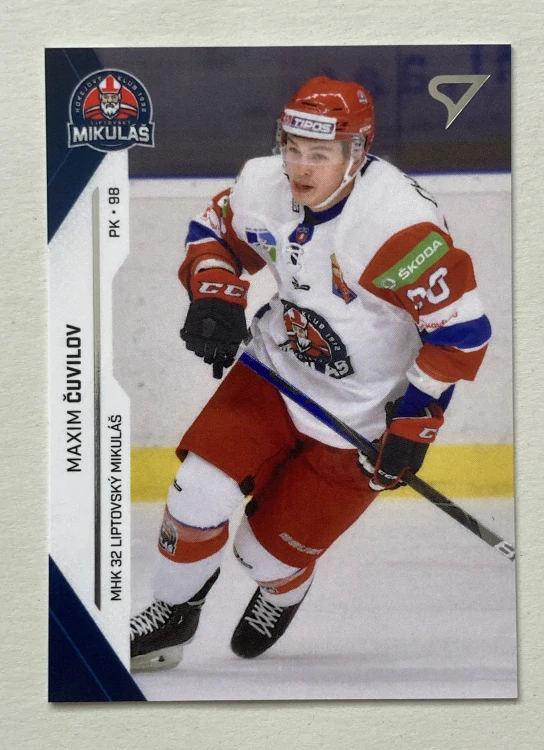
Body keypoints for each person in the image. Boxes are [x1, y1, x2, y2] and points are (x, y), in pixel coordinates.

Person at [130, 76, 491, 671]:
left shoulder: (397, 226)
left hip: (363, 413)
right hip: (277, 369)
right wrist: (216, 292)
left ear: (358, 152)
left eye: (319, 154)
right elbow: (214, 231)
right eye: (292, 147)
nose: (299, 166)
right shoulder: (262, 184)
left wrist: (414, 424)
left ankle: (283, 589)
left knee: (261, 557)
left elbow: (461, 333)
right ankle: (171, 614)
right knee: (198, 489)